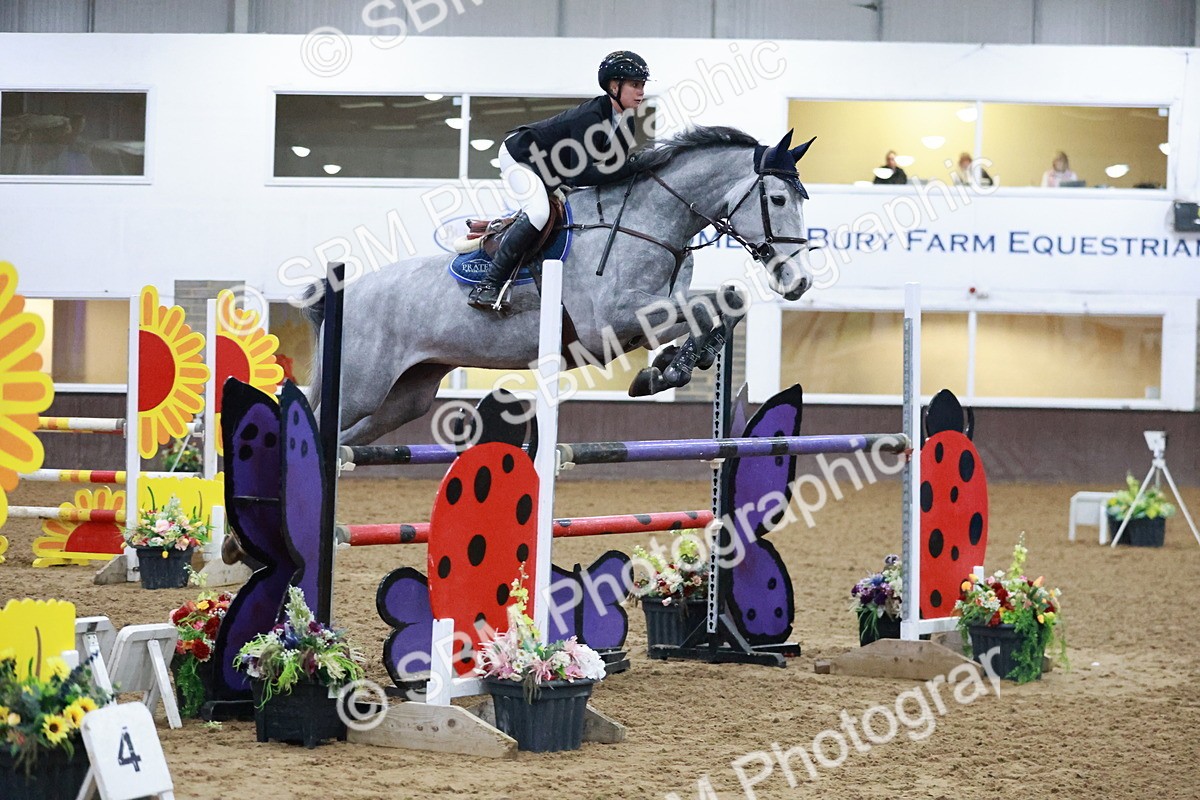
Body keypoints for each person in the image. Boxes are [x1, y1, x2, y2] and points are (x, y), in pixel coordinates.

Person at [468, 50, 650, 310]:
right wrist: (634, 167)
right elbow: (583, 174)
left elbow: (614, 171)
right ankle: (488, 284)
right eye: (635, 85)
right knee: (539, 213)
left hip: (553, 171)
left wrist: (634, 168)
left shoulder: (625, 123)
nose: (641, 92)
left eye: (642, 85)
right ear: (614, 86)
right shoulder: (590, 117)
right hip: (520, 156)